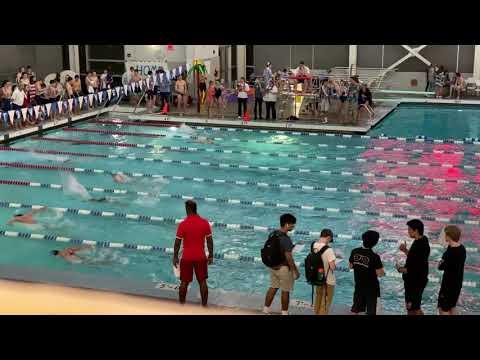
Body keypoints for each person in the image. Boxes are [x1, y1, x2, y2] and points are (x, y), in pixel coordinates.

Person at [173, 200, 213, 306]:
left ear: (187, 209)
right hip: (200, 257)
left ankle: (181, 306)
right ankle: (204, 306)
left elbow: (177, 243)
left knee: (184, 283)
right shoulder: (204, 223)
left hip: (187, 258)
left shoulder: (183, 224)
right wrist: (211, 255)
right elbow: (210, 241)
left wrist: (175, 257)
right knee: (203, 282)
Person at [263, 213, 300, 315]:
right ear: (287, 224)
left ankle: (266, 309)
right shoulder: (286, 239)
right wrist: (295, 271)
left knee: (273, 287)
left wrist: (290, 247)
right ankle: (284, 312)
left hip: (273, 266)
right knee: (285, 290)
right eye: (293, 224)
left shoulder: (273, 234)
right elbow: (289, 257)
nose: (293, 226)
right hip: (283, 268)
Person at [397, 219, 430, 315]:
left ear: (416, 231)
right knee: (414, 307)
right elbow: (416, 258)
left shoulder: (420, 245)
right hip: (416, 280)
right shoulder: (422, 239)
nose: (408, 231)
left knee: (412, 309)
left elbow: (417, 268)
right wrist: (405, 250)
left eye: (409, 229)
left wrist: (401, 269)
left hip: (415, 282)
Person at [349, 230, 385, 315]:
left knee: (356, 310)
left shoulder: (354, 251)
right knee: (371, 311)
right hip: (371, 289)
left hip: (359, 286)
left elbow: (351, 266)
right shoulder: (375, 257)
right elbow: (380, 274)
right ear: (375, 243)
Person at [437, 225, 466, 315]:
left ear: (449, 236)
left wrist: (441, 262)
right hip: (457, 284)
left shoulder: (451, 252)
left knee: (443, 309)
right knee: (452, 306)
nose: (444, 237)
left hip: (448, 285)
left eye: (445, 235)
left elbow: (440, 266)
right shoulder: (462, 248)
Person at [312, 229, 336, 315]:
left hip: (318, 277)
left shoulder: (314, 245)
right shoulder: (329, 250)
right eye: (330, 240)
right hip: (328, 280)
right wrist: (335, 260)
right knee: (325, 302)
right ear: (328, 237)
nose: (329, 242)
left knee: (318, 298)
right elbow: (332, 267)